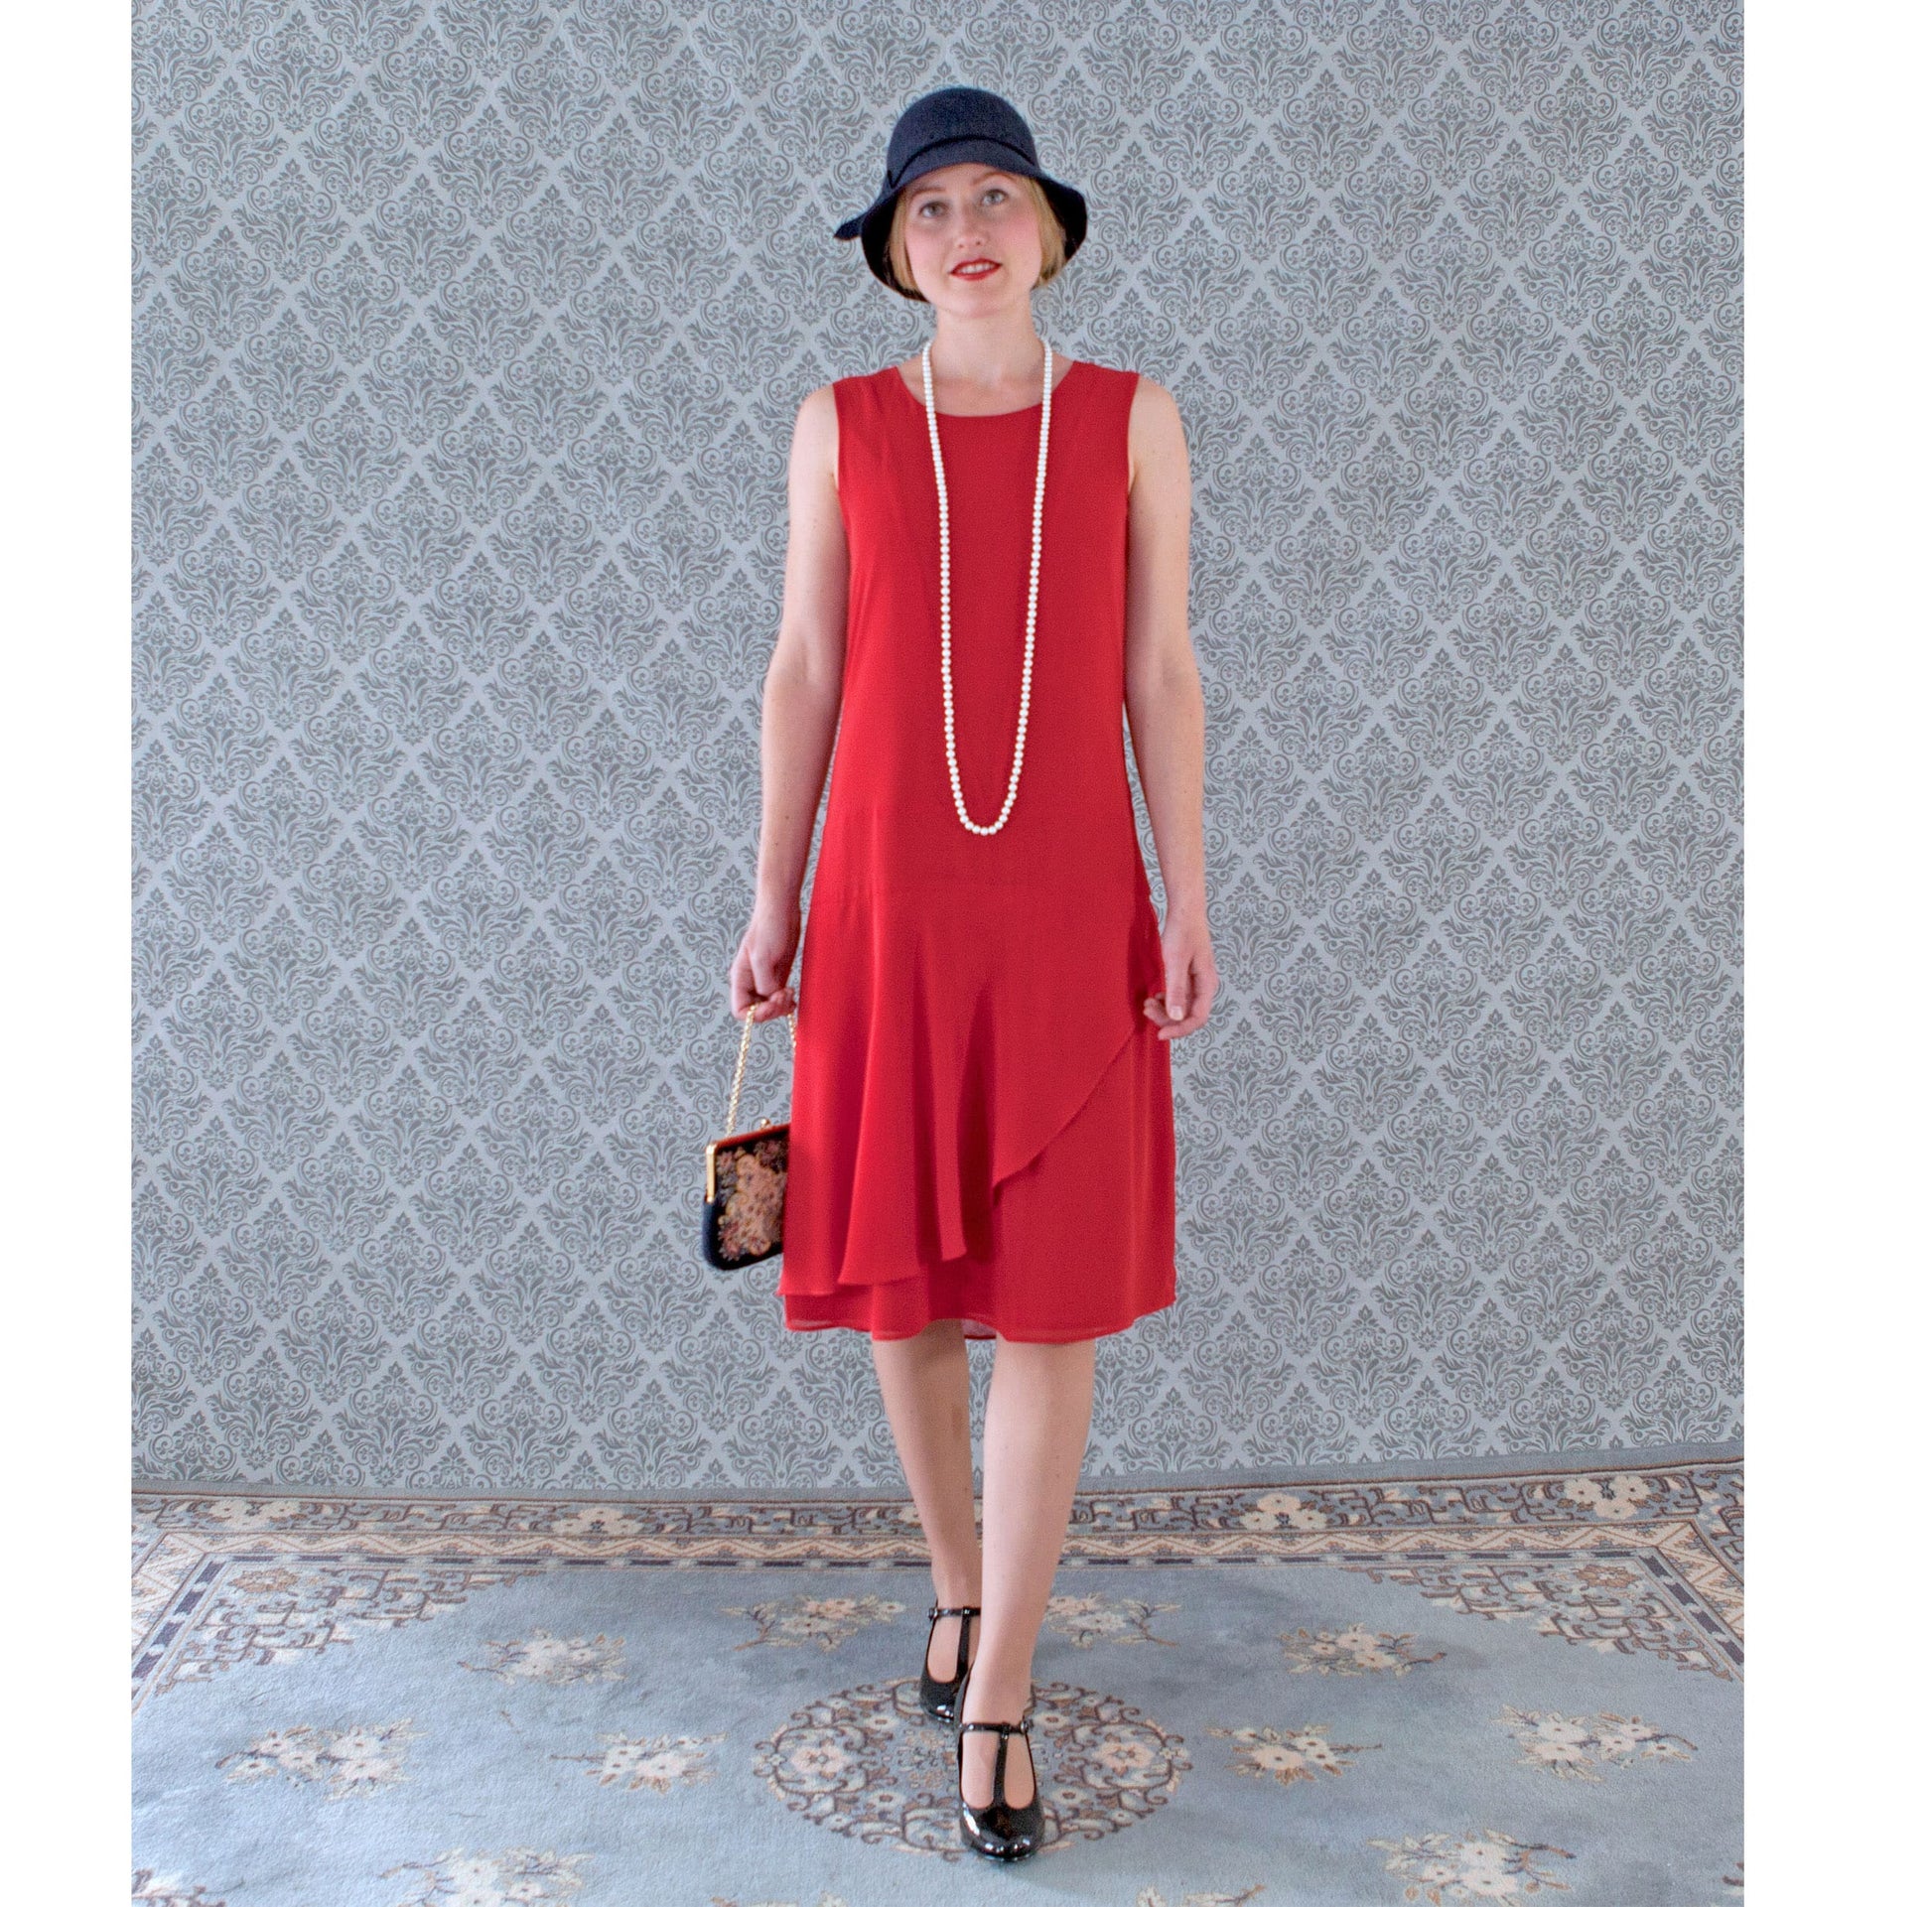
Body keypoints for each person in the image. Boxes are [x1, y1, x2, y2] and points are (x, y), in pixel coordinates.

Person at [729, 85, 1216, 1861]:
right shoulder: (840, 423)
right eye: (927, 208)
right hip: (884, 900)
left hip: (1071, 898)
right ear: (892, 251)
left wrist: (1186, 893)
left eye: (994, 195)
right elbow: (804, 662)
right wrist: (772, 893)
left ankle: (998, 1684)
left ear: (1048, 228)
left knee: (1055, 1296)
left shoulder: (1130, 416)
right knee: (910, 1290)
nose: (964, 231)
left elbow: (1159, 668)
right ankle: (956, 1581)